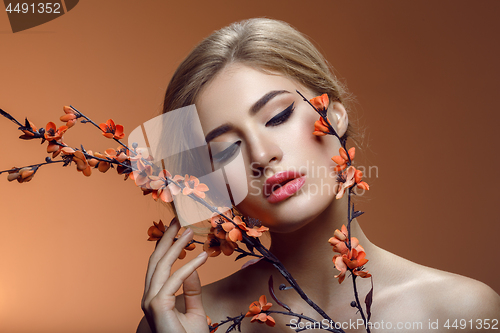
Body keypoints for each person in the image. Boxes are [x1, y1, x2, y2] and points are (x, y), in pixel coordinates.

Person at [137, 18, 500, 333]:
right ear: (212, 182)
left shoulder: (461, 313)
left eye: (278, 117)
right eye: (227, 149)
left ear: (334, 116)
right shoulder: (185, 323)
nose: (262, 155)